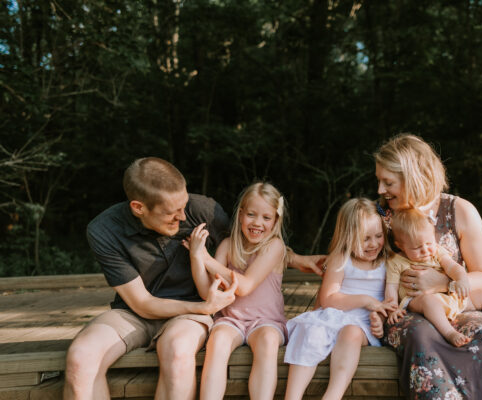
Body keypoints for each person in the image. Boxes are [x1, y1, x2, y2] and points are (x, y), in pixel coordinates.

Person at [64, 158, 321, 400]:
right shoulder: (105, 229)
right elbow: (142, 303)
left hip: (189, 316)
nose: (183, 216)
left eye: (183, 205)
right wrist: (205, 306)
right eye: (172, 212)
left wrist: (296, 259)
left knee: (178, 353)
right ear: (138, 208)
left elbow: (252, 242)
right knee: (81, 358)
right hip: (135, 311)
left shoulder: (203, 210)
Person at [369, 134, 482, 399]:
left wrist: (442, 282)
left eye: (388, 182)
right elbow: (353, 264)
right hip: (404, 312)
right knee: (421, 335)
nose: (380, 190)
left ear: (415, 177)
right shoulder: (380, 215)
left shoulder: (459, 211)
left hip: (457, 305)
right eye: (379, 181)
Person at [284, 198, 396, 400]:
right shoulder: (340, 259)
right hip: (333, 315)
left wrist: (380, 319)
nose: (373, 244)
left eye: (378, 236)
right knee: (311, 333)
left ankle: (332, 395)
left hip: (363, 323)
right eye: (365, 239)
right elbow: (328, 299)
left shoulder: (388, 262)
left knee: (351, 333)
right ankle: (292, 396)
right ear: (347, 237)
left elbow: (390, 301)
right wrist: (364, 299)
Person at [184, 182, 288, 400]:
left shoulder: (274, 246)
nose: (257, 223)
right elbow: (206, 292)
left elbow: (246, 285)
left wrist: (207, 260)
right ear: (241, 215)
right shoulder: (227, 246)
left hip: (266, 320)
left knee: (268, 341)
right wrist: (196, 257)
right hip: (230, 319)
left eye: (266, 218)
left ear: (275, 221)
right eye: (251, 214)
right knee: (218, 340)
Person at [385, 208, 482, 347]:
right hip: (419, 301)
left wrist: (460, 279)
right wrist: (392, 308)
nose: (426, 250)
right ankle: (449, 333)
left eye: (429, 243)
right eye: (417, 247)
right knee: (429, 301)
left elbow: (453, 267)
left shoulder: (437, 251)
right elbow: (391, 288)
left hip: (450, 298)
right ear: (400, 245)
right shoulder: (396, 261)